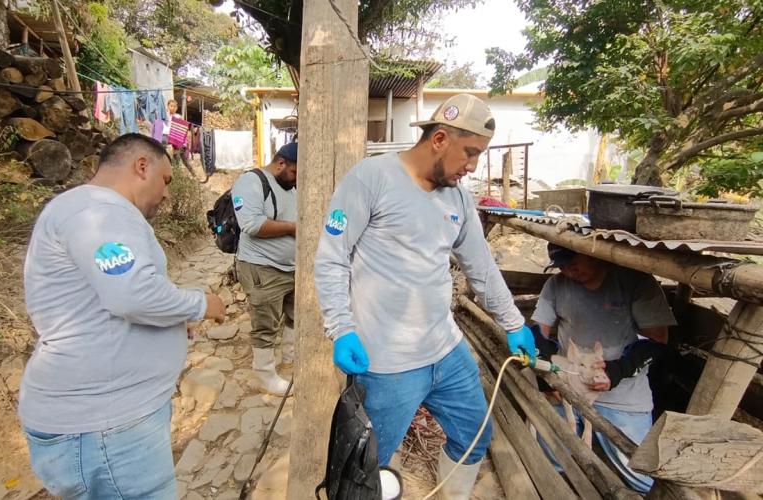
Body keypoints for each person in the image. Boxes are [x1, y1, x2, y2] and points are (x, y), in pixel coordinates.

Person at [313, 94, 536, 499]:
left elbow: (481, 269)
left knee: (474, 437)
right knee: (366, 464)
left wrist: (514, 323)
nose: (472, 167)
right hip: (387, 363)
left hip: (446, 352)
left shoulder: (459, 200)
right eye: (469, 153)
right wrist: (341, 328)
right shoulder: (371, 178)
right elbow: (331, 258)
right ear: (438, 139)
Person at [20, 133, 226, 499]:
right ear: (141, 166)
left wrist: (171, 322)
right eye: (165, 180)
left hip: (104, 424)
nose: (165, 194)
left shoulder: (85, 209)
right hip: (107, 429)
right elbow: (132, 294)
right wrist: (200, 304)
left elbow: (105, 301)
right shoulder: (99, 211)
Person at [531, 243, 675, 493]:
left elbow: (657, 340)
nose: (568, 270)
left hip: (622, 399)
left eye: (573, 262)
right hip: (568, 392)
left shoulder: (636, 282)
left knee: (643, 480)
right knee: (549, 462)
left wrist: (617, 371)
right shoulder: (556, 286)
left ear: (594, 252)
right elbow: (538, 334)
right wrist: (548, 379)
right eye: (561, 265)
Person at [233, 142, 298, 397]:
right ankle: (264, 375)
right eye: (293, 173)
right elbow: (251, 224)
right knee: (266, 323)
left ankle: (291, 357)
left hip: (292, 267)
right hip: (262, 267)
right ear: (281, 163)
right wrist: (294, 228)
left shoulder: (290, 186)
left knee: (296, 314)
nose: (295, 181)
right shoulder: (251, 182)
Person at [162, 99, 195, 176]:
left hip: (179, 141)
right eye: (171, 106)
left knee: (184, 160)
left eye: (174, 106)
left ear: (176, 108)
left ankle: (194, 175)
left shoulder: (178, 116)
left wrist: (183, 142)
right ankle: (177, 176)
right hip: (171, 140)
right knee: (175, 158)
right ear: (167, 107)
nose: (172, 108)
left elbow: (183, 128)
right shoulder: (165, 117)